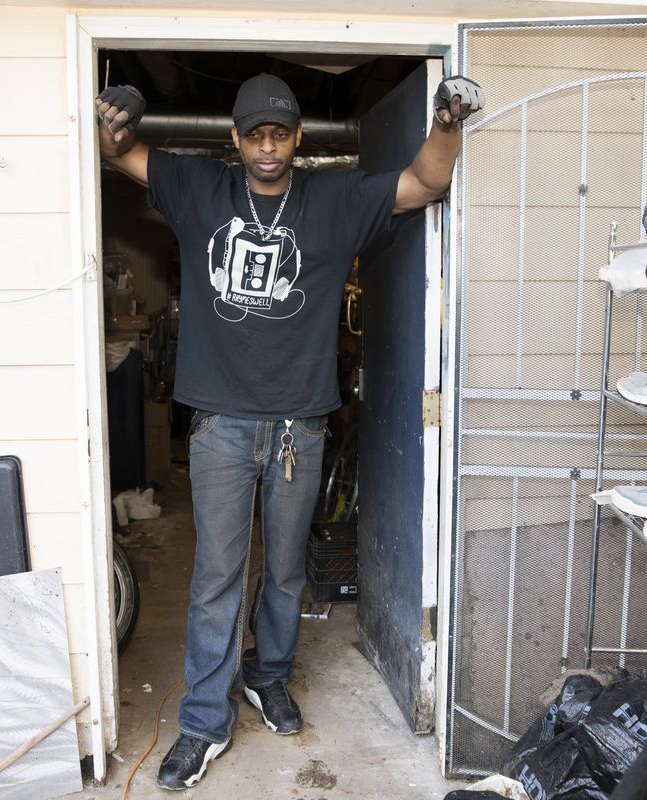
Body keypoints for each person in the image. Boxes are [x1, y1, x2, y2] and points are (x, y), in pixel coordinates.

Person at [95, 69, 483, 791]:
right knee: (217, 575)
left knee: (285, 570)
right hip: (220, 426)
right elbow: (118, 153)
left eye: (280, 133)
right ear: (236, 139)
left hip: (300, 427)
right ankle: (205, 725)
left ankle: (266, 676)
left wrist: (447, 123)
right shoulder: (199, 189)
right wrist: (118, 119)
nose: (268, 148)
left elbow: (425, 183)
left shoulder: (335, 199)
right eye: (255, 135)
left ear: (298, 137)